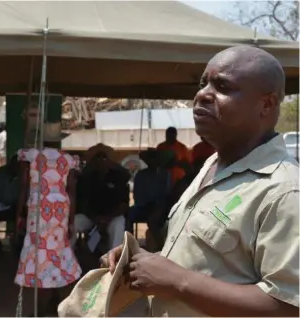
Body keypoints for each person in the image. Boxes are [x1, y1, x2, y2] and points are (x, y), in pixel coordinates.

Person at [100, 46, 299, 317]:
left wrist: (177, 280)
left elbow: (287, 306)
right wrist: (143, 261)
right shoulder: (214, 164)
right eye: (203, 83)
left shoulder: (285, 191)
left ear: (266, 104)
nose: (202, 94)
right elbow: (207, 259)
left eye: (223, 86)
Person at [14, 145, 82, 317]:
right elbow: (72, 191)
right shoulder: (68, 158)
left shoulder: (29, 155)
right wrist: (71, 220)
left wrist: (18, 215)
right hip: (59, 211)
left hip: (39, 210)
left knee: (39, 256)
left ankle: (43, 307)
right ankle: (55, 301)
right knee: (57, 254)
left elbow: (24, 187)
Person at [73, 145, 130, 251]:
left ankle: (114, 257)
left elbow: (124, 205)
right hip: (91, 218)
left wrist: (107, 219)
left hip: (112, 217)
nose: (101, 161)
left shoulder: (119, 178)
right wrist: (96, 219)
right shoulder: (86, 179)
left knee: (119, 223)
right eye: (97, 158)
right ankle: (67, 254)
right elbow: (82, 203)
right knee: (75, 221)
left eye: (104, 158)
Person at [128, 148, 170, 250]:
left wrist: (158, 207)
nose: (152, 161)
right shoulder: (141, 175)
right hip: (143, 206)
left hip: (161, 206)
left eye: (154, 158)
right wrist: (144, 204)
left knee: (153, 220)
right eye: (150, 159)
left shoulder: (164, 174)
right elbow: (136, 195)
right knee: (128, 215)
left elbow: (166, 194)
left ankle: (162, 248)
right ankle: (129, 245)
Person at [0, 155, 23, 254]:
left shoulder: (23, 176)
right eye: (16, 165)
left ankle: (18, 244)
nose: (17, 168)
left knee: (23, 216)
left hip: (14, 207)